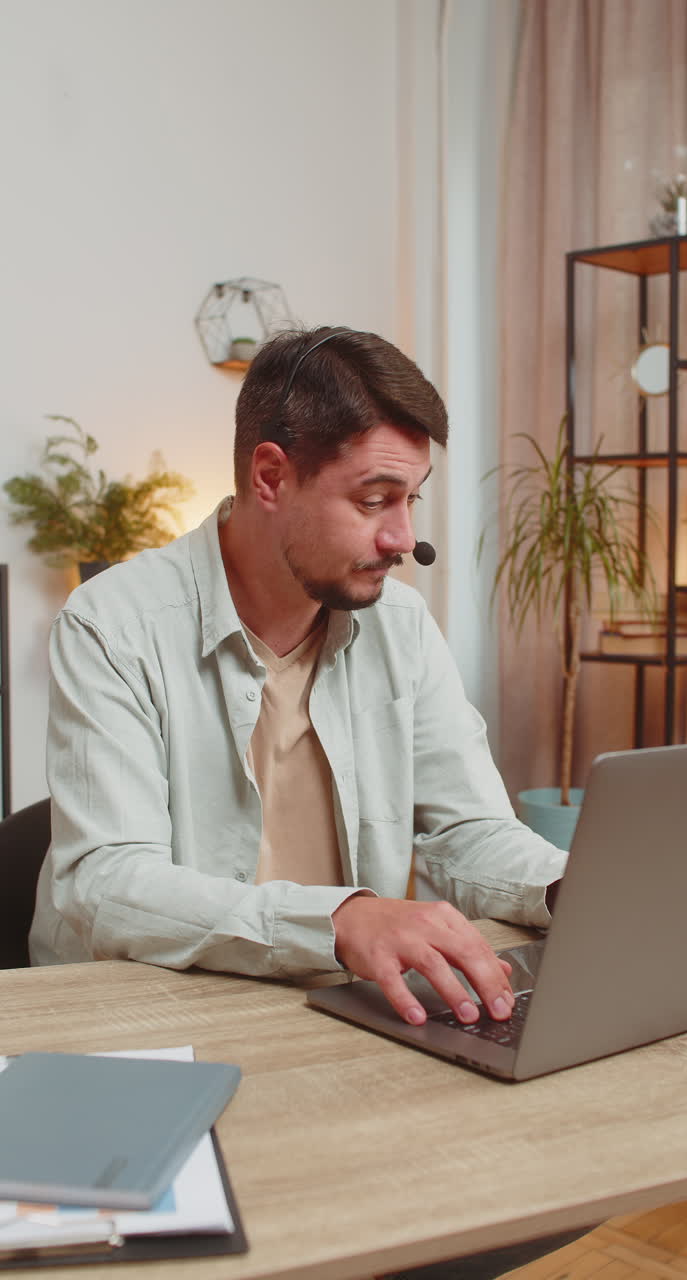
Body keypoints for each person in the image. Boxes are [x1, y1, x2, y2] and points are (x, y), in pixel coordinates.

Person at [30, 325, 567, 1033]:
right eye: (375, 501)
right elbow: (107, 886)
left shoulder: (400, 625)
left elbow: (468, 832)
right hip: (140, 1024)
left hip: (332, 1013)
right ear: (271, 478)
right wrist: (340, 920)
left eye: (413, 500)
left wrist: (572, 886)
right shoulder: (112, 623)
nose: (403, 538)